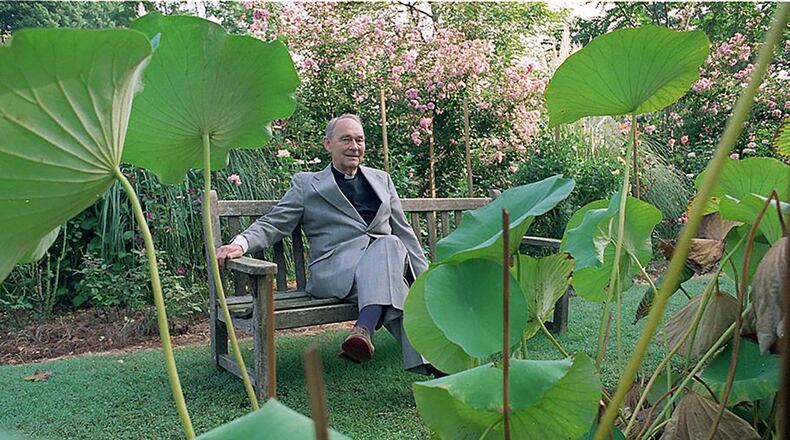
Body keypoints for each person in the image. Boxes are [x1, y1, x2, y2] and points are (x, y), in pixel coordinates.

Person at [216, 113, 436, 375]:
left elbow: (404, 233)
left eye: (359, 140)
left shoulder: (381, 180)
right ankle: (436, 365)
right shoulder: (307, 184)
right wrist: (240, 244)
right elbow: (275, 223)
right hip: (334, 272)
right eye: (346, 139)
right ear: (328, 144)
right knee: (390, 254)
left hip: (378, 274)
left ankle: (371, 335)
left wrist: (425, 280)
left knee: (393, 260)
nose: (354, 146)